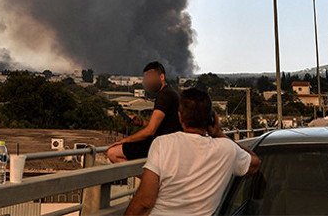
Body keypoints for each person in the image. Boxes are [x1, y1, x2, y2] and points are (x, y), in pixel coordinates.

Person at [124, 88, 260, 216]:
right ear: (211, 119)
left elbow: (145, 201)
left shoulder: (163, 144)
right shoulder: (227, 149)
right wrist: (218, 133)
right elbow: (254, 163)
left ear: (180, 117)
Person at [107, 61, 181, 163]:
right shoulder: (169, 93)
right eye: (146, 78)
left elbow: (151, 130)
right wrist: (141, 123)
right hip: (167, 144)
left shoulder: (164, 96)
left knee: (112, 152)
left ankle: (146, 174)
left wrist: (124, 140)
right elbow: (161, 126)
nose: (148, 82)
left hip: (163, 145)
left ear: (162, 77)